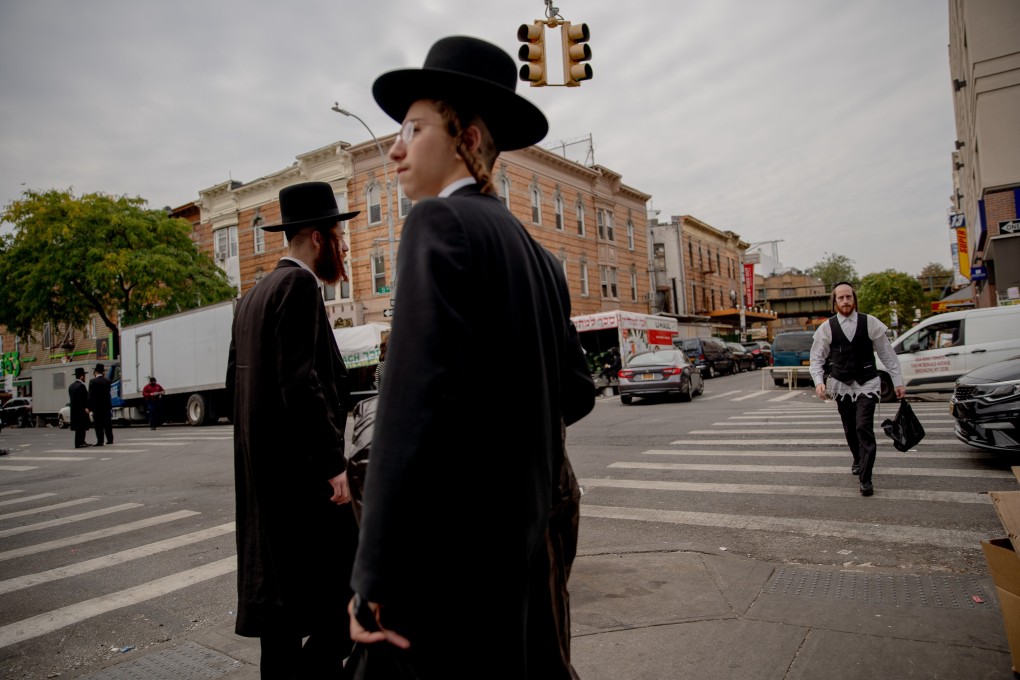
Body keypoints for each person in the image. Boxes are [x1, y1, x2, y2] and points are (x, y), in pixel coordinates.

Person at [348, 36, 596, 679]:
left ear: (469, 138)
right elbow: (574, 390)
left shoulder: (436, 225)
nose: (396, 148)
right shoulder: (537, 255)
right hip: (520, 559)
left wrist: (373, 572)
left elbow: (408, 413)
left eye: (415, 127)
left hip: (452, 568)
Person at [225, 181, 360, 678]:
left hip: (264, 483)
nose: (344, 248)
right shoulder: (298, 286)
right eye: (338, 238)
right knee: (348, 600)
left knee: (278, 622)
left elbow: (233, 389)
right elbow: (300, 383)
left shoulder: (251, 298)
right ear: (317, 237)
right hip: (302, 483)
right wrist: (332, 466)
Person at [809, 281, 906, 497]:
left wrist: (897, 380)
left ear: (854, 299)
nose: (845, 301)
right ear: (834, 302)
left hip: (867, 383)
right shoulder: (827, 327)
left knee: (864, 427)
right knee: (850, 428)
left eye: (848, 297)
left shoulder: (870, 323)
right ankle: (857, 458)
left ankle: (866, 478)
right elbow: (816, 358)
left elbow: (886, 354)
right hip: (841, 384)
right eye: (841, 298)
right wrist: (818, 381)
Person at [87, 363, 113, 446]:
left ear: (95, 372)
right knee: (107, 424)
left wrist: (89, 407)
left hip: (97, 407)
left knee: (98, 425)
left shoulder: (92, 382)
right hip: (106, 406)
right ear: (103, 372)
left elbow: (91, 396)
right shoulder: (108, 381)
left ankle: (100, 441)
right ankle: (110, 439)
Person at [68, 367, 90, 449]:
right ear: (82, 376)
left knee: (78, 429)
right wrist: (86, 408)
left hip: (74, 411)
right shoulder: (81, 386)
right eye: (84, 376)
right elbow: (84, 399)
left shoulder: (71, 386)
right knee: (82, 428)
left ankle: (80, 442)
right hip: (81, 411)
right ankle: (81, 442)